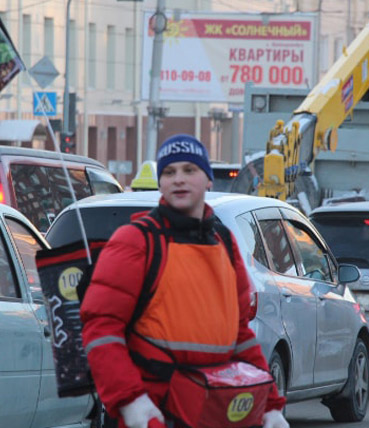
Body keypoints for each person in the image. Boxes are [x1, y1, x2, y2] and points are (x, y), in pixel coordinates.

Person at [80, 134, 288, 428]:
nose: (178, 179)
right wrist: (132, 403)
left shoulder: (224, 244)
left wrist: (270, 405)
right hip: (155, 413)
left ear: (208, 180)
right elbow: (101, 329)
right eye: (169, 172)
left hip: (216, 411)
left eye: (189, 170)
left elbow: (239, 335)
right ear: (160, 183)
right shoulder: (135, 241)